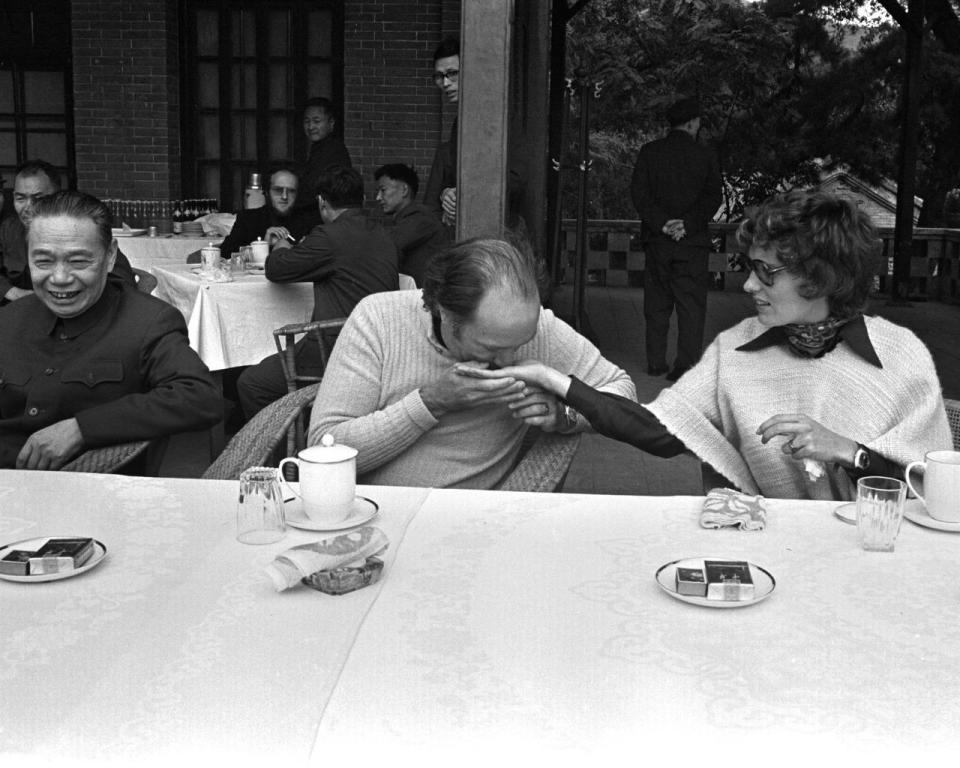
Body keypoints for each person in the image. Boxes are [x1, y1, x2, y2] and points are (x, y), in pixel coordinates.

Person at [463, 190, 952, 501]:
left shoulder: (900, 357)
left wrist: (850, 451)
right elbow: (659, 432)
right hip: (769, 551)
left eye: (767, 272)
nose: (748, 287)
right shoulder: (738, 349)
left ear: (823, 276)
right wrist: (557, 381)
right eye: (749, 268)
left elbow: (936, 488)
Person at [307, 237, 636, 490]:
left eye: (520, 344)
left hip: (469, 521)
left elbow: (623, 393)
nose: (509, 360)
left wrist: (565, 413)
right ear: (445, 314)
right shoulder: (378, 319)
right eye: (491, 348)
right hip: (365, 512)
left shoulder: (538, 330)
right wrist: (431, 402)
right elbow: (323, 449)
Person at [0, 190, 222, 470]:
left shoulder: (147, 322)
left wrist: (81, 429)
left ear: (110, 256)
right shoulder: (8, 320)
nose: (59, 278)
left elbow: (200, 396)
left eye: (79, 261)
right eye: (43, 261)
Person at [237, 165, 399, 419]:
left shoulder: (329, 236)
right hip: (382, 347)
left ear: (322, 202)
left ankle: (288, 456)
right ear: (363, 200)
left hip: (337, 349)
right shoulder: (383, 234)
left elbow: (276, 270)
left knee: (252, 384)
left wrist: (280, 246)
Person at [630, 97, 722, 380]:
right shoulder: (705, 155)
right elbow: (712, 198)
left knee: (656, 304)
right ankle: (686, 365)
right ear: (693, 123)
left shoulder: (650, 152)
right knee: (691, 307)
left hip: (658, 242)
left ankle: (656, 362)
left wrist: (663, 224)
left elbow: (639, 195)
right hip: (692, 244)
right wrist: (688, 224)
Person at [1, 159, 136, 304]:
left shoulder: (82, 229)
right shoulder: (8, 229)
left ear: (57, 196)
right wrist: (12, 292)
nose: (28, 207)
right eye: (20, 198)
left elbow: (122, 285)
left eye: (38, 198)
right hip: (22, 314)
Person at [216, 168, 321, 258]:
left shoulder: (309, 221)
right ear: (266, 192)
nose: (284, 196)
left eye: (291, 191)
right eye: (278, 190)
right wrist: (262, 246)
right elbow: (223, 255)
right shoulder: (248, 219)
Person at [374, 163, 448, 285]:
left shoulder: (420, 219)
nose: (378, 197)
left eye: (383, 190)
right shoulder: (412, 218)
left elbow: (384, 247)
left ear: (404, 190)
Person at [422, 38, 461, 226]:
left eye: (453, 73)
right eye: (439, 76)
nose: (445, 83)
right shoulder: (459, 122)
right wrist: (446, 194)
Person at [295, 97, 352, 211]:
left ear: (331, 123)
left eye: (316, 121)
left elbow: (314, 188)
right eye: (307, 121)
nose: (311, 127)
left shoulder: (333, 149)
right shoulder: (319, 148)